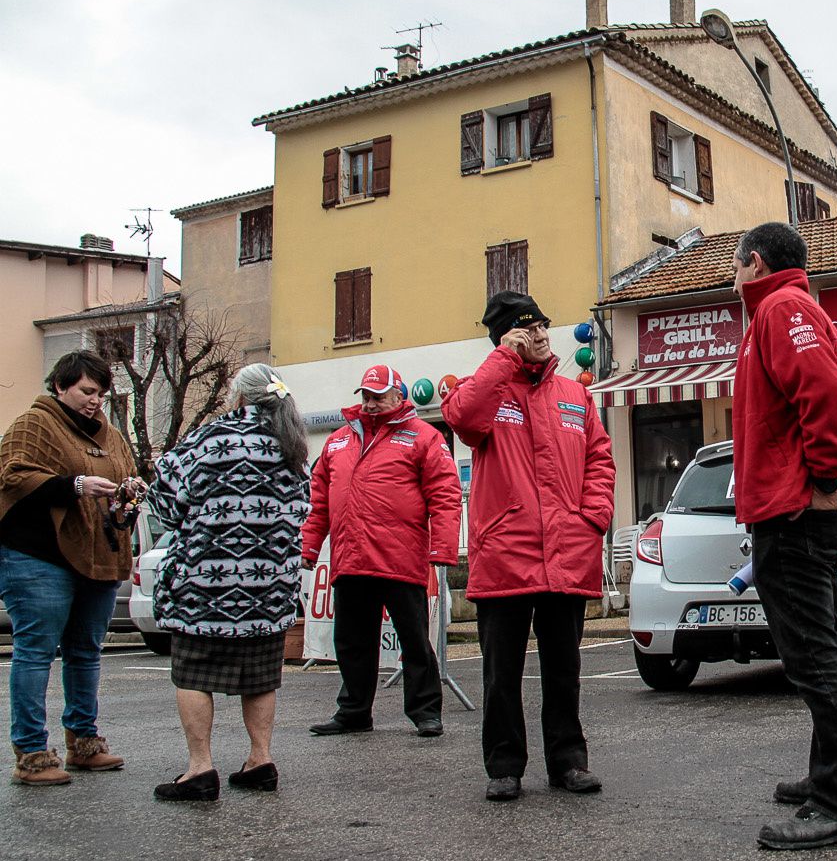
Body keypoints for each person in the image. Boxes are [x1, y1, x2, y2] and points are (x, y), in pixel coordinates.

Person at [730, 222, 837, 851]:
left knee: (815, 656)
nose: (734, 276)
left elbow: (824, 393)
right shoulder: (787, 309)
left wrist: (823, 482)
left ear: (755, 262)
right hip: (796, 507)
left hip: (797, 510)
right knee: (827, 648)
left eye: (736, 265)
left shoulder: (781, 308)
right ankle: (831, 779)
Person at [443, 291, 615, 802]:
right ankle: (504, 766)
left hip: (567, 550)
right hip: (505, 555)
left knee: (564, 669)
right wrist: (503, 359)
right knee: (502, 674)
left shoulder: (574, 393)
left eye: (542, 325)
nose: (540, 335)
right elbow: (462, 419)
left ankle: (569, 762)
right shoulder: (484, 391)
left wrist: (592, 518)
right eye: (527, 329)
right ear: (506, 339)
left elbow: (600, 459)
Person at [147, 364, 311, 801]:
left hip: (207, 586)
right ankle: (260, 760)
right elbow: (303, 509)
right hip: (268, 586)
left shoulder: (210, 439)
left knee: (193, 674)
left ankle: (200, 769)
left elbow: (165, 503)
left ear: (239, 397)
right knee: (260, 676)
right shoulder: (293, 448)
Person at [302, 365, 461, 738]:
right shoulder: (338, 441)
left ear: (397, 395)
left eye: (378, 396)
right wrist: (310, 545)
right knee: (351, 641)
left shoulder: (424, 436)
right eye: (366, 396)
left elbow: (446, 494)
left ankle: (425, 711)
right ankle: (354, 711)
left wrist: (443, 547)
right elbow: (319, 500)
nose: (371, 403)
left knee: (415, 640)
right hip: (350, 558)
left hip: (400, 558)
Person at [1, 350, 137, 786]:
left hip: (97, 553)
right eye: (86, 391)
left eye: (101, 394)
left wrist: (129, 491)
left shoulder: (111, 435)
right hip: (37, 555)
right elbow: (12, 475)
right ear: (60, 386)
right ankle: (32, 753)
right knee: (36, 650)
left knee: (86, 652)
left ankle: (84, 742)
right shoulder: (34, 424)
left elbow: (125, 474)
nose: (95, 401)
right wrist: (74, 485)